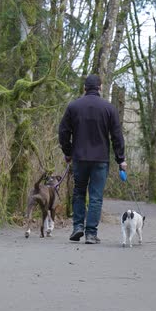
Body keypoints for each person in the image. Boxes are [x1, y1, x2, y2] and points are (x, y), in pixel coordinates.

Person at [58, 74, 127, 244]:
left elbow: (63, 131)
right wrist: (121, 159)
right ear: (100, 87)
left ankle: (77, 227)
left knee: (79, 192)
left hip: (79, 158)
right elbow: (117, 135)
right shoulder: (109, 108)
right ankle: (90, 233)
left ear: (84, 88)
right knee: (96, 196)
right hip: (100, 159)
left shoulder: (73, 106)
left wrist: (68, 152)